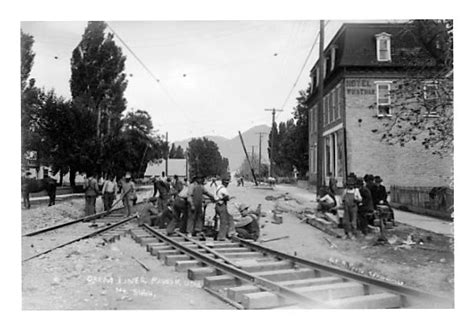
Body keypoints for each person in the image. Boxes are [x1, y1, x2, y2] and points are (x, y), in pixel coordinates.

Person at [186, 174, 215, 240]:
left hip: (199, 205)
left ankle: (197, 230)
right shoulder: (192, 186)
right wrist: (192, 204)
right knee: (191, 218)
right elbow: (189, 196)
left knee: (199, 217)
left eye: (201, 178)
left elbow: (207, 192)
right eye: (200, 178)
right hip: (193, 204)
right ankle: (189, 232)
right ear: (196, 179)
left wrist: (213, 197)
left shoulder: (201, 186)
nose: (201, 180)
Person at [214, 176, 236, 241]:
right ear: (225, 183)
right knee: (223, 221)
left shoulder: (218, 187)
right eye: (227, 183)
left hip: (217, 204)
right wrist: (230, 198)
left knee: (227, 218)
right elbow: (226, 197)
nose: (227, 184)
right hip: (221, 205)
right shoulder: (223, 189)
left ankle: (229, 233)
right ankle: (221, 236)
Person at [341, 173, 362, 239]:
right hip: (346, 208)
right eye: (349, 185)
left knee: (353, 221)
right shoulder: (345, 191)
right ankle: (347, 233)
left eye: (352, 185)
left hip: (353, 207)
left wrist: (357, 199)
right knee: (346, 221)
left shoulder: (356, 191)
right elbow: (341, 199)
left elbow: (360, 199)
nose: (351, 186)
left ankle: (353, 234)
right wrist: (343, 203)